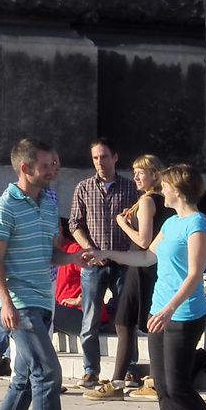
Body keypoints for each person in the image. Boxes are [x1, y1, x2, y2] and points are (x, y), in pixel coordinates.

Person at [101, 164, 206, 410]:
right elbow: (147, 257)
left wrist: (170, 309)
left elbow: (194, 275)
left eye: (165, 187)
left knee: (177, 386)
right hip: (159, 310)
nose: (161, 191)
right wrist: (106, 252)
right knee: (162, 385)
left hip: (183, 314)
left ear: (178, 191)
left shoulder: (197, 225)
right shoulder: (172, 223)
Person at [0, 138, 93, 410]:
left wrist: (76, 258)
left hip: (44, 301)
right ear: (25, 168)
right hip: (20, 302)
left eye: (55, 163)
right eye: (46, 166)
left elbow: (51, 254)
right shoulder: (3, 208)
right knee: (47, 372)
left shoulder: (47, 203)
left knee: (25, 376)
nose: (54, 170)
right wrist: (5, 302)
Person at [85, 154, 164, 400]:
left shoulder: (149, 201)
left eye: (141, 172)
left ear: (154, 174)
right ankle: (123, 380)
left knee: (133, 323)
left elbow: (143, 240)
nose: (136, 176)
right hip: (140, 266)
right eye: (134, 171)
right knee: (125, 322)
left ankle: (143, 380)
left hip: (142, 266)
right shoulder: (156, 200)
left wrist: (122, 223)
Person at [67, 137, 140, 391]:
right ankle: (90, 370)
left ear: (115, 157)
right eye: (96, 157)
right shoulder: (84, 188)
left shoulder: (131, 189)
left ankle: (129, 369)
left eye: (104, 156)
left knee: (125, 318)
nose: (99, 162)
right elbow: (74, 223)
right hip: (94, 263)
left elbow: (140, 224)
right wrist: (89, 248)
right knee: (89, 319)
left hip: (122, 260)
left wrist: (131, 253)